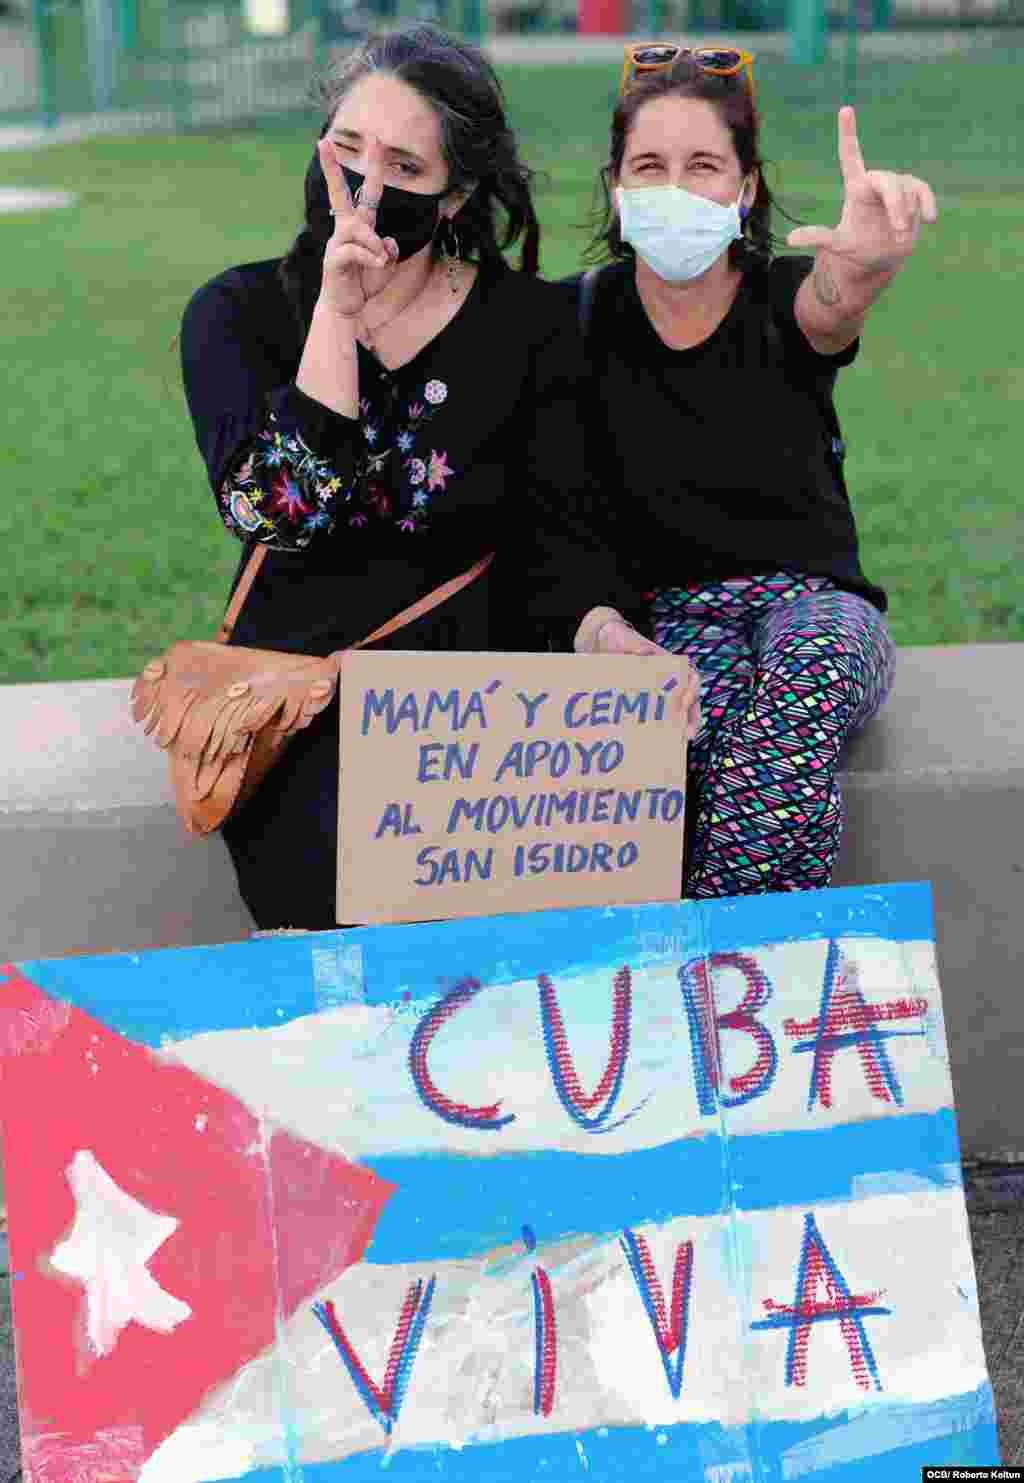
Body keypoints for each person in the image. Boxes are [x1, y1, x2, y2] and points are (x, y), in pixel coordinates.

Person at [179, 26, 678, 932]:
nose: (365, 186)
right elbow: (276, 513)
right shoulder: (236, 314)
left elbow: (560, 538)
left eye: (404, 166)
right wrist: (336, 315)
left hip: (467, 726)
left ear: (456, 196)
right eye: (347, 148)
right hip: (302, 717)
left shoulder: (527, 327)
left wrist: (605, 632)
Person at [567, 44, 937, 899]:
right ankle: (756, 959)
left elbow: (831, 306)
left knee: (805, 682)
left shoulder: (782, 297)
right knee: (708, 735)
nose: (676, 187)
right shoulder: (576, 321)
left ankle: (715, 946)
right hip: (669, 621)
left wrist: (865, 264)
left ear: (746, 188)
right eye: (649, 166)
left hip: (818, 609)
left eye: (703, 165)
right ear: (617, 188)